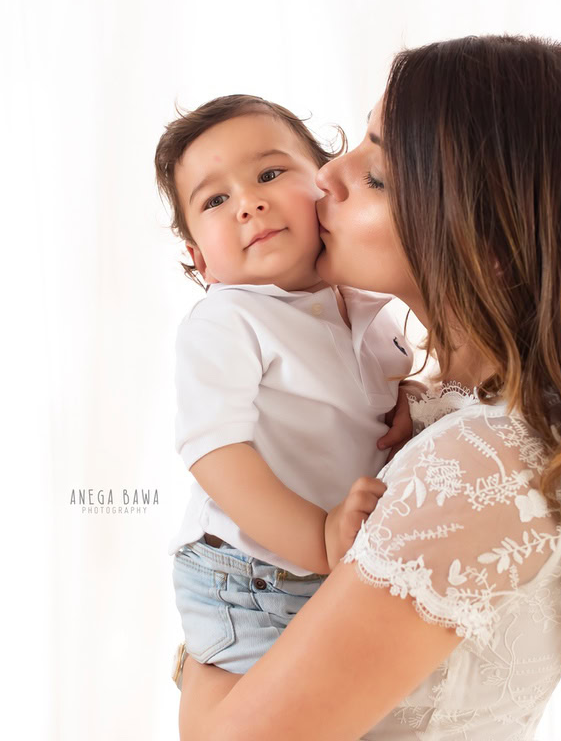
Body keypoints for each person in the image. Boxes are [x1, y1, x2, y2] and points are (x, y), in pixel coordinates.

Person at [177, 35, 561, 741]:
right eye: (358, 141)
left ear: (485, 246)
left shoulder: (476, 468)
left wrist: (207, 645)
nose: (327, 177)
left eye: (376, 176)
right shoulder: (468, 421)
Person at [153, 96, 419, 693]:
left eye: (270, 174)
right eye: (216, 201)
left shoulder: (372, 309)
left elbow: (369, 396)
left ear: (323, 185)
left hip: (328, 567)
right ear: (201, 263)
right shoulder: (228, 318)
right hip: (249, 576)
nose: (250, 202)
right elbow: (215, 452)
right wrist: (317, 535)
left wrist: (413, 398)